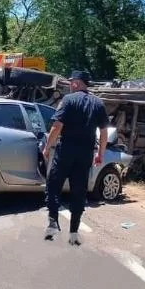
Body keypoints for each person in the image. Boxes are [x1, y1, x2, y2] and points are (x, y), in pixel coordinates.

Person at [41, 70, 108, 246]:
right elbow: (103, 131)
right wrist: (100, 153)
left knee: (53, 185)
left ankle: (53, 222)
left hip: (66, 151)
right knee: (79, 192)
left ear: (77, 83)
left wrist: (47, 148)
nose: (70, 85)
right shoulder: (99, 103)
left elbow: (57, 126)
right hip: (85, 154)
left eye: (72, 82)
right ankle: (74, 232)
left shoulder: (68, 100)